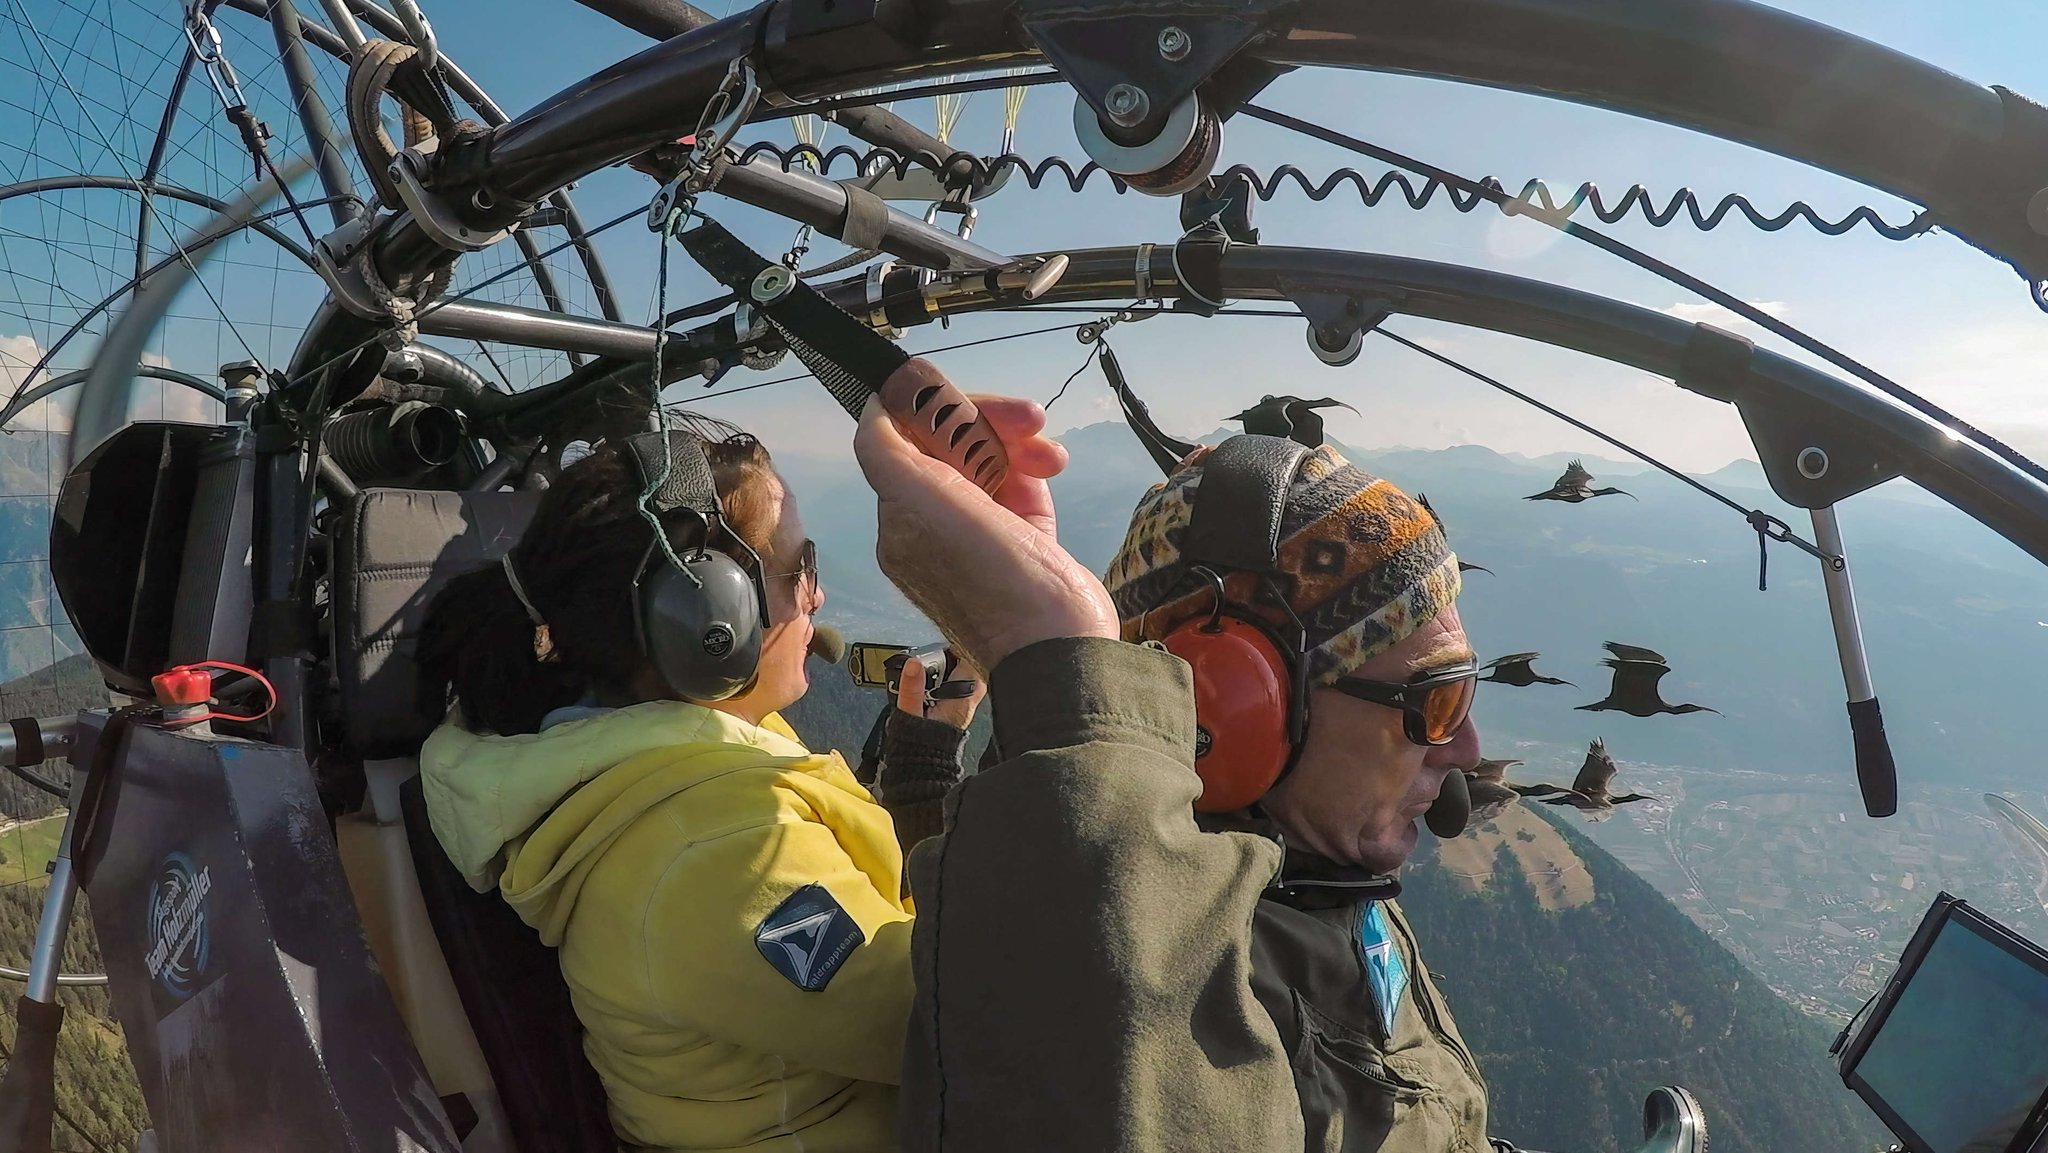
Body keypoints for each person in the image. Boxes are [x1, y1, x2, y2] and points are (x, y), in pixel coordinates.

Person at [854, 360, 1490, 1152]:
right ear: (1236, 702)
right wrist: (1038, 643)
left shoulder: (1332, 875)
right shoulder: (1119, 976)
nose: (1466, 747)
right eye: (1435, 701)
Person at [414, 415, 979, 1152]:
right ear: (709, 624)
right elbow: (969, 1030)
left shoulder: (682, 746)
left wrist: (922, 762)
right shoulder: (710, 852)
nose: (818, 592)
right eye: (797, 565)